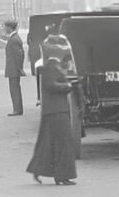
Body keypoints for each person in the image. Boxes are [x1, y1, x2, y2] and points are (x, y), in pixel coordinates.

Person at [26, 35, 80, 185]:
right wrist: (68, 86)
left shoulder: (49, 67)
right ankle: (62, 176)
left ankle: (41, 170)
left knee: (49, 143)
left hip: (52, 111)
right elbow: (52, 86)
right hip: (57, 111)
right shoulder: (52, 68)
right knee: (63, 143)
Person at [3, 20, 26, 115]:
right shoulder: (14, 38)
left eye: (5, 27)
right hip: (13, 69)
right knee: (14, 90)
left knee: (14, 90)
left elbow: (19, 55)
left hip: (14, 69)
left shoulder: (14, 39)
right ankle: (17, 109)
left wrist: (19, 68)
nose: (4, 29)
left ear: (9, 27)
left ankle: (17, 110)